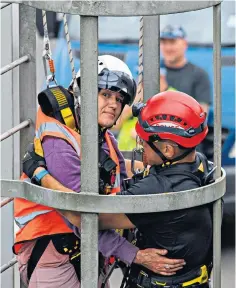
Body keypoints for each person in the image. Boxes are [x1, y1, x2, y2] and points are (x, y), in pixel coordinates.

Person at [15, 55, 185, 288]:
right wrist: (135, 256)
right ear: (83, 93)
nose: (114, 104)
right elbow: (80, 218)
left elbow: (120, 180)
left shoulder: (100, 136)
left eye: (119, 98)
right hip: (53, 253)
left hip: (88, 249)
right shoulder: (58, 141)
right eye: (105, 94)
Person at [43, 91, 213, 288]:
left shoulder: (156, 190)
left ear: (168, 150)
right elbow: (149, 175)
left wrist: (41, 175)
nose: (140, 147)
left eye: (144, 141)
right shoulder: (199, 164)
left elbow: (83, 217)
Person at [117, 62, 176, 151]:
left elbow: (173, 132)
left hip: (151, 158)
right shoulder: (136, 95)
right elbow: (115, 124)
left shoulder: (172, 97)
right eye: (140, 77)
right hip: (123, 155)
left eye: (146, 78)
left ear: (161, 76)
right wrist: (132, 103)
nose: (142, 82)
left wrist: (144, 135)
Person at [160, 25, 211, 113]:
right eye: (164, 42)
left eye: (172, 42)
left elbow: (202, 116)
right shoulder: (151, 70)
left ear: (185, 44)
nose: (168, 48)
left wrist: (166, 90)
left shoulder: (199, 75)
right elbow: (134, 107)